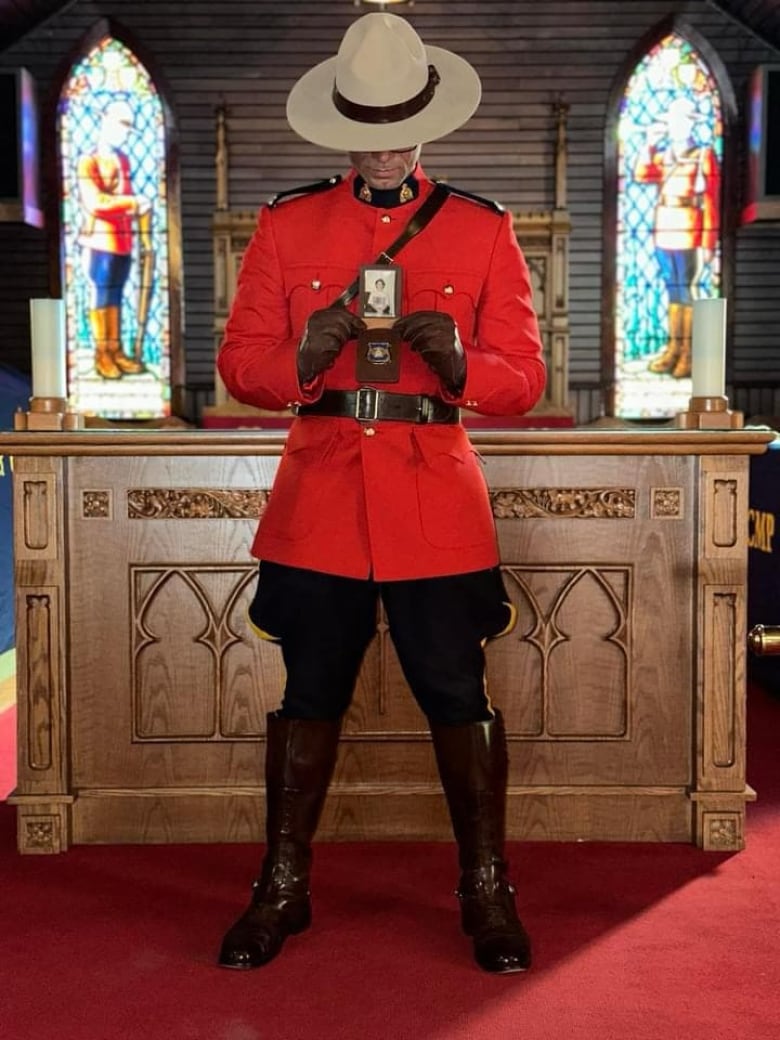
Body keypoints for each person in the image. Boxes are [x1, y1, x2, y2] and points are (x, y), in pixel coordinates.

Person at [216, 11, 546, 975]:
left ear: (428, 120)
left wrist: (465, 368)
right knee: (308, 692)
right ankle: (282, 887)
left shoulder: (486, 230)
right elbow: (240, 365)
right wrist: (303, 355)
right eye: (370, 128)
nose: (389, 146)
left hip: (435, 500)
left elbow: (525, 378)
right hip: (319, 498)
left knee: (457, 692)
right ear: (341, 129)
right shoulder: (286, 225)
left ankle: (487, 889)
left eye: (403, 125)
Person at [634, 95, 721, 379]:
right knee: (673, 290)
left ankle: (688, 354)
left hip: (689, 229)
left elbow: (710, 198)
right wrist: (648, 144)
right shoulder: (665, 154)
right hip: (665, 228)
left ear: (691, 124)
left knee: (686, 291)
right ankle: (672, 348)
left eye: (683, 121)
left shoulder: (702, 155)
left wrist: (708, 241)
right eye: (674, 121)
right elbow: (642, 173)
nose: (678, 126)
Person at [78, 98, 151, 380]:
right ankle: (102, 353)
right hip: (98, 242)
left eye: (128, 129)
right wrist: (133, 203)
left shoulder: (122, 160)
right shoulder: (88, 161)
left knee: (117, 295)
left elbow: (127, 194)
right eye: (121, 125)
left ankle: (116, 349)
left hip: (123, 242)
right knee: (101, 294)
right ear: (105, 120)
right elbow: (95, 202)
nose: (124, 133)